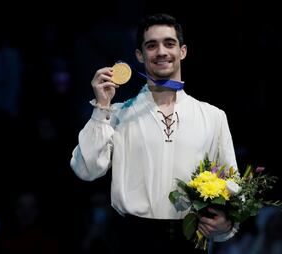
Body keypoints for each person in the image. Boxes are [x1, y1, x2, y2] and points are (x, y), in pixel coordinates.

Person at [70, 13, 239, 254]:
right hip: (131, 241)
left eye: (169, 43)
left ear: (183, 51)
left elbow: (231, 182)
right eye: (151, 45)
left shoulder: (213, 117)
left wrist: (227, 224)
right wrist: (102, 108)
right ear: (140, 55)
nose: (161, 52)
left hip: (191, 241)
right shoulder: (117, 115)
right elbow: (86, 170)